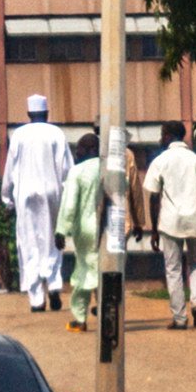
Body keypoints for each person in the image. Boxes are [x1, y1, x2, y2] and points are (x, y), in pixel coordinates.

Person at [2, 95, 76, 313]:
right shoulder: (55, 133)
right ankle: (53, 284)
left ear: (28, 114)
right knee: (53, 239)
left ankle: (36, 299)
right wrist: (68, 196)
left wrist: (7, 199)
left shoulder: (19, 135)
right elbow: (66, 169)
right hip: (51, 191)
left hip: (25, 194)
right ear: (47, 113)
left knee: (28, 242)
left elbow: (10, 170)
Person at [143, 126, 196, 328]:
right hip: (195, 219)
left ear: (168, 136)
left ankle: (180, 318)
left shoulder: (160, 161)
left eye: (162, 135)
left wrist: (154, 230)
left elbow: (154, 198)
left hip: (169, 222)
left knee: (173, 269)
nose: (160, 138)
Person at [60, 133, 108, 332]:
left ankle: (80, 319)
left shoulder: (77, 171)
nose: (76, 152)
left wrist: (60, 230)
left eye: (79, 148)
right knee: (104, 270)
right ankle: (107, 313)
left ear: (90, 150)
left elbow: (69, 204)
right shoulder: (109, 168)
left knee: (83, 271)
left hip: (85, 228)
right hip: (108, 227)